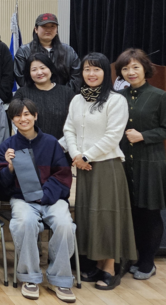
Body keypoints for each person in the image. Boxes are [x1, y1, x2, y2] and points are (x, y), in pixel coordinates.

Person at [63, 52, 137, 290]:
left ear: (106, 73)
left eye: (97, 69)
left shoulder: (116, 100)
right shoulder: (77, 100)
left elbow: (113, 136)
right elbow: (69, 129)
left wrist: (86, 156)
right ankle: (96, 263)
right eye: (87, 69)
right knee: (89, 217)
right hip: (84, 167)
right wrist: (76, 155)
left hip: (106, 166)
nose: (91, 74)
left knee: (107, 217)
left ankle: (110, 268)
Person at [0, 99, 76, 302]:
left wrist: (44, 195)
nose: (23, 119)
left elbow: (63, 176)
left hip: (52, 198)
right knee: (24, 223)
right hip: (22, 199)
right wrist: (10, 167)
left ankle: (60, 279)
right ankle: (30, 277)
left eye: (27, 114)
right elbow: (0, 184)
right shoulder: (7, 146)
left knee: (65, 224)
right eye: (18, 115)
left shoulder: (51, 143)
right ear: (12, 119)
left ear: (35, 116)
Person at [115, 48, 166, 280]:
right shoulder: (119, 98)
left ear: (145, 68)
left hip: (150, 163)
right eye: (125, 68)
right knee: (132, 212)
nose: (130, 72)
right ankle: (131, 258)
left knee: (150, 213)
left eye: (135, 67)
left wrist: (145, 135)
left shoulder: (159, 96)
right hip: (125, 163)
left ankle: (148, 261)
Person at [13, 54, 75, 142]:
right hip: (31, 146)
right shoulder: (22, 94)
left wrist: (61, 145)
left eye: (43, 68)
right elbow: (15, 121)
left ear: (51, 69)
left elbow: (74, 122)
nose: (39, 72)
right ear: (29, 73)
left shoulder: (67, 93)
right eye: (34, 69)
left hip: (63, 147)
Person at [13, 13, 81, 93]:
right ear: (36, 29)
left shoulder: (69, 51)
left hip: (64, 99)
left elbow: (77, 76)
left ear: (56, 30)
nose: (48, 29)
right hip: (34, 100)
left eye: (52, 26)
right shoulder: (24, 51)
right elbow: (21, 79)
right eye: (44, 26)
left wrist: (62, 94)